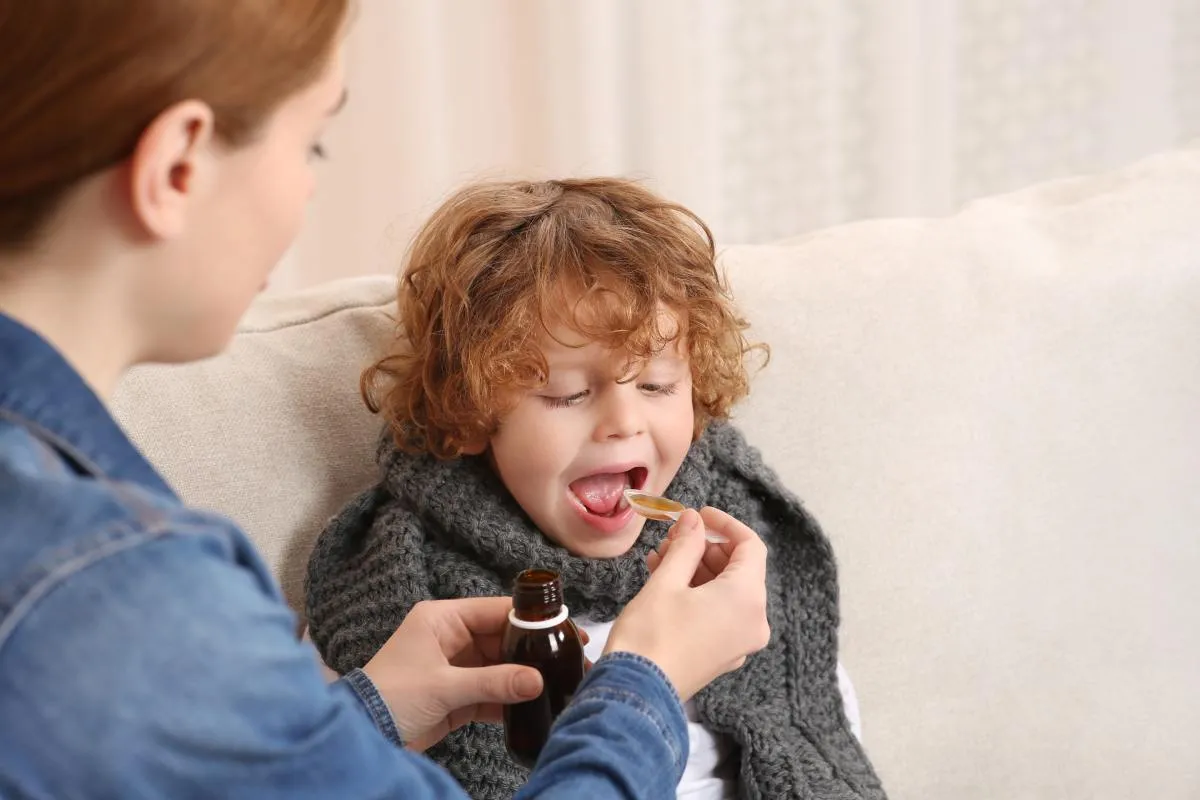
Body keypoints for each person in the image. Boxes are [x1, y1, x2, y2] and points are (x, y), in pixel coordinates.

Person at [0, 3, 772, 798]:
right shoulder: (113, 585)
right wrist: (646, 681)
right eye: (311, 143)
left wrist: (367, 711)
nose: (307, 194)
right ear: (178, 166)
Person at [305, 178, 890, 799]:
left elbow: (824, 730)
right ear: (472, 413)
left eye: (657, 385)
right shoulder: (389, 597)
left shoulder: (737, 546)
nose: (623, 423)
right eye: (568, 394)